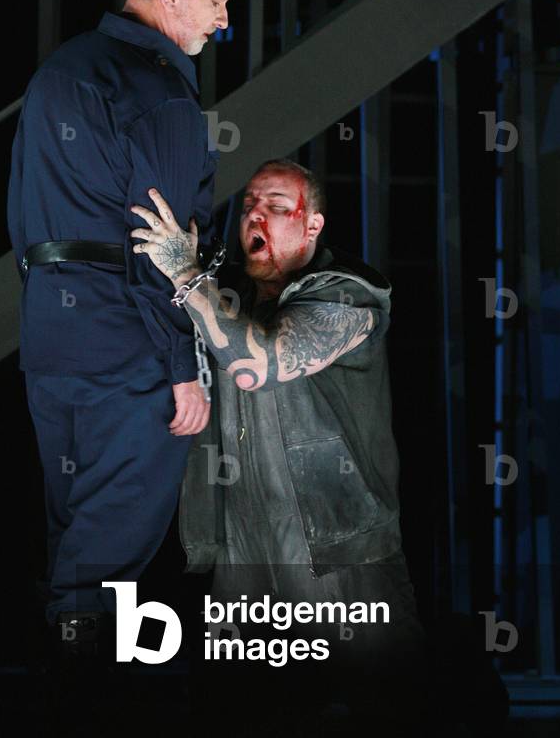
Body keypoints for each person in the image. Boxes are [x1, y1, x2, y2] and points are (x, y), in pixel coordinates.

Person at [130, 158, 429, 735]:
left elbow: (256, 364)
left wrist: (187, 276)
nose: (255, 216)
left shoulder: (348, 297)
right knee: (234, 713)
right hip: (245, 559)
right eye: (248, 207)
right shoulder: (232, 291)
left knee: (388, 711)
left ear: (312, 226)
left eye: (274, 205)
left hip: (340, 557)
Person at [6, 0, 235, 658]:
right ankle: (79, 702)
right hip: (130, 349)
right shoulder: (159, 92)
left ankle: (62, 681)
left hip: (51, 337)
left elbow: (23, 217)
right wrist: (181, 365)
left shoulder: (60, 70)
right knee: (107, 555)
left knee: (75, 531)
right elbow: (162, 246)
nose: (223, 18)